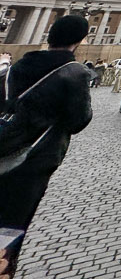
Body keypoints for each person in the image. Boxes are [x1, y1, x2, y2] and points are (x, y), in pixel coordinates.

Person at [0, 15, 92, 276]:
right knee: (12, 224)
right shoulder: (73, 72)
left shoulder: (16, 67)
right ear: (81, 39)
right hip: (35, 159)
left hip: (4, 148)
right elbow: (78, 120)